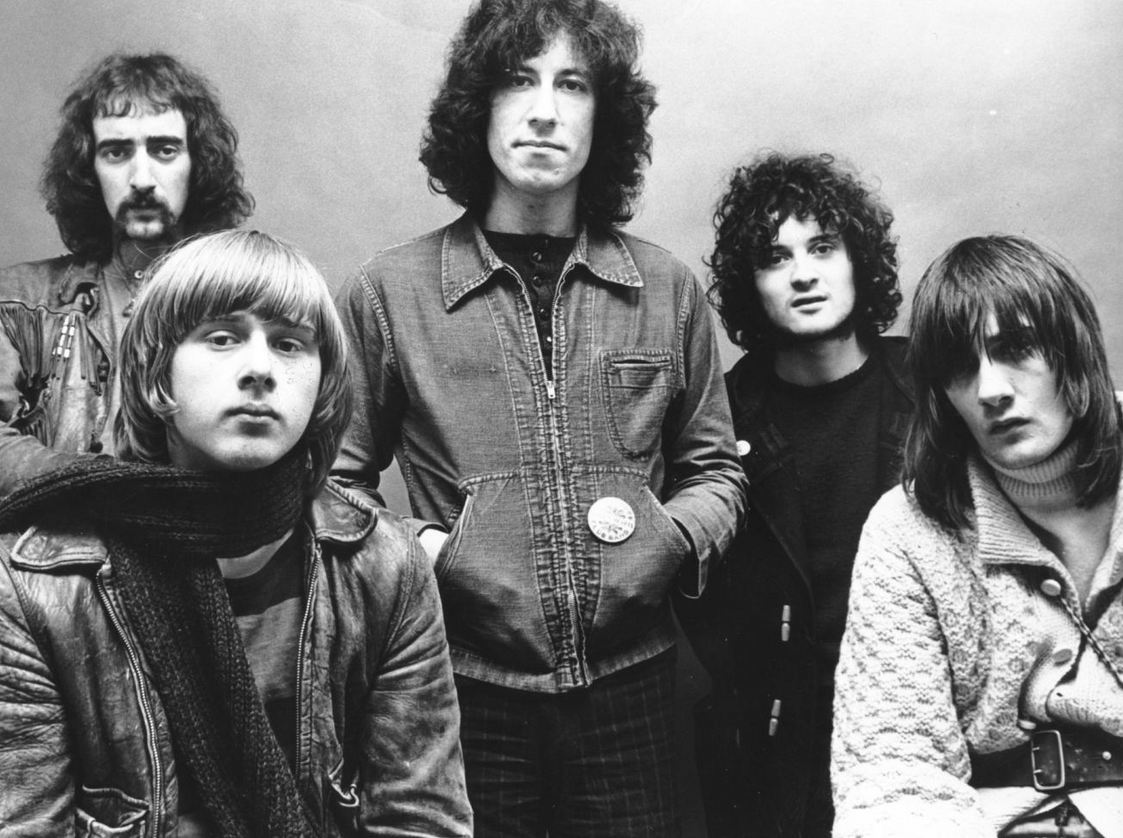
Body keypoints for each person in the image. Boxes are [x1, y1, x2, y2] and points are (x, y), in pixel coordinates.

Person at [332, 0, 746, 833]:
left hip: (637, 686)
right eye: (519, 82)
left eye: (572, 85)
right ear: (478, 107)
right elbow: (331, 486)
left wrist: (667, 540)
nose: (545, 111)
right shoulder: (390, 293)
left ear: (605, 117)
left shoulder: (665, 289)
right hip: (458, 686)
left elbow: (715, 472)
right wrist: (432, 554)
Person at [0, 230, 472, 836]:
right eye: (222, 338)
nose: (259, 370)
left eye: (289, 343)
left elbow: (419, 817)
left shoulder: (386, 566)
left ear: (323, 386)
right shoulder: (35, 588)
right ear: (156, 374)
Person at [832, 235, 1123, 838]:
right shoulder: (906, 529)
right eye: (962, 367)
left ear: (1073, 350)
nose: (991, 389)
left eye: (1016, 349)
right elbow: (892, 774)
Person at [674, 151, 912, 837]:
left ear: (858, 260)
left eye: (822, 247)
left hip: (917, 726)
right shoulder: (717, 419)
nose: (803, 273)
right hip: (772, 754)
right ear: (750, 286)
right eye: (775, 258)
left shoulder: (931, 384)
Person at [0, 52, 253, 496]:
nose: (141, 178)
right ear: (89, 170)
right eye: (117, 152)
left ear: (198, 164)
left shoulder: (246, 304)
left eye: (164, 150)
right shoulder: (19, 301)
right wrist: (109, 488)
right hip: (48, 539)